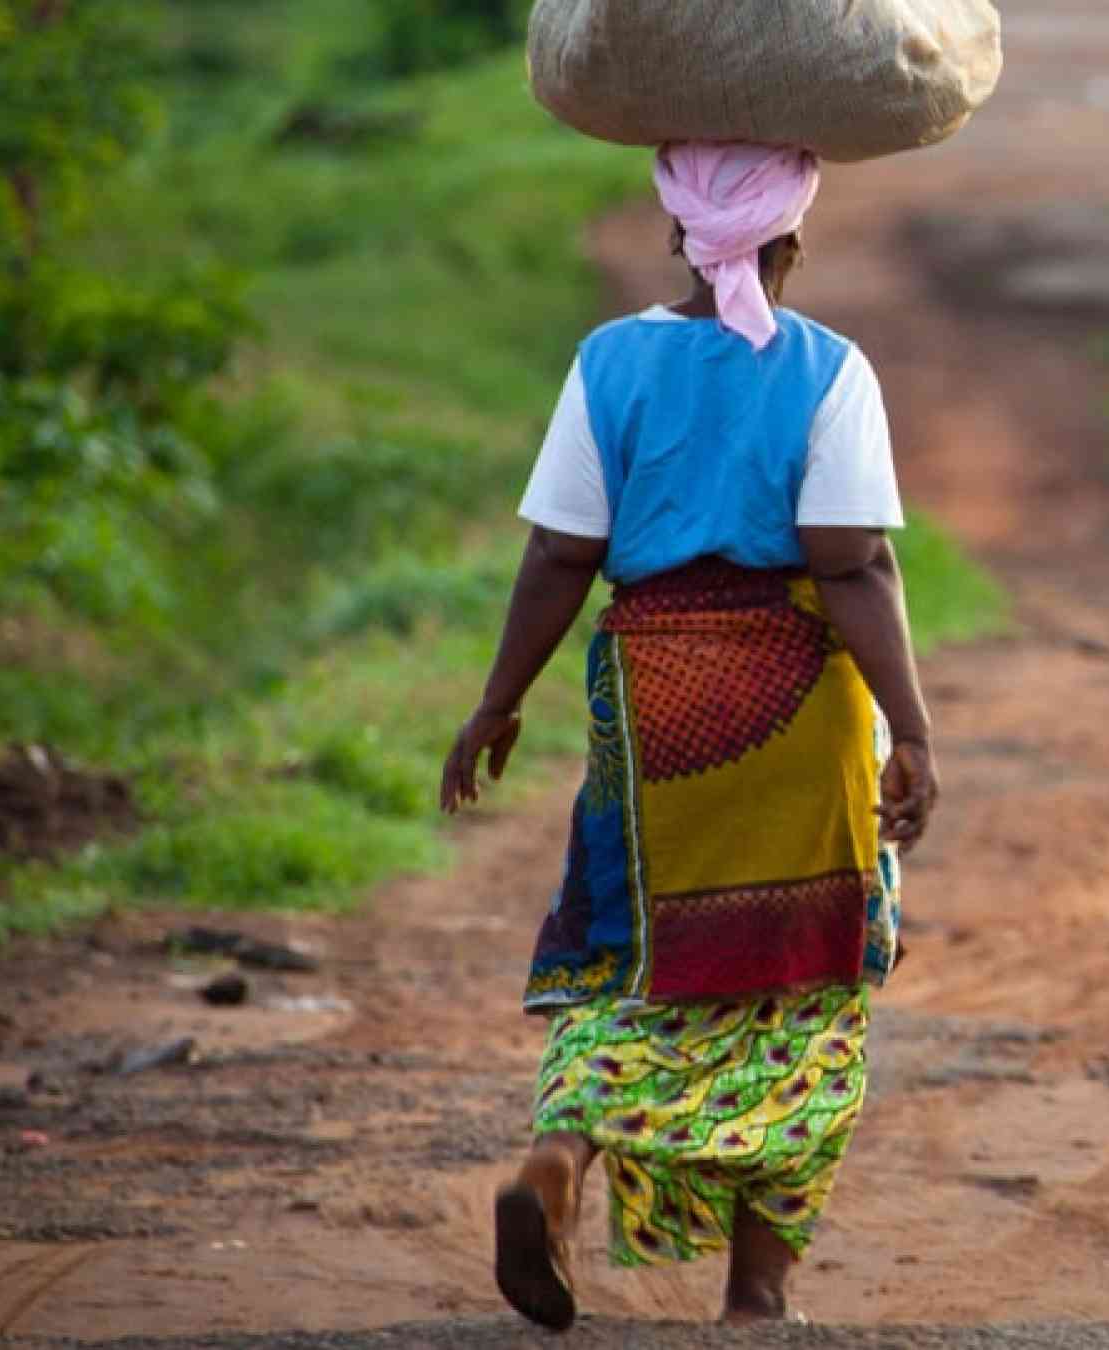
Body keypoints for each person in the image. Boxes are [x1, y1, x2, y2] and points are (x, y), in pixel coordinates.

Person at [438, 141, 939, 1330]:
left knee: (623, 951)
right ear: (796, 237)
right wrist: (912, 729)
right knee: (808, 986)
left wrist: (497, 700)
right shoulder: (831, 372)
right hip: (802, 714)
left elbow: (563, 551)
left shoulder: (610, 363)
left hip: (652, 708)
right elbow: (853, 560)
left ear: (676, 232)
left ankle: (561, 1156)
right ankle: (758, 1294)